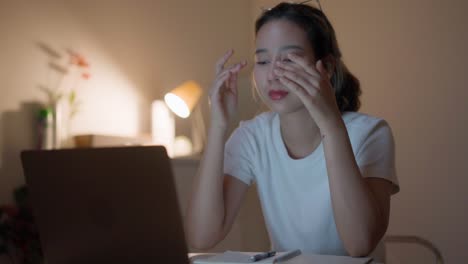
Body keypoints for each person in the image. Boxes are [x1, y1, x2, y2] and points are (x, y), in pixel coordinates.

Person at [185, 1, 399, 257]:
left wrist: (331, 127)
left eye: (289, 59)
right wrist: (218, 125)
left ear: (327, 68)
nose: (273, 74)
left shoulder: (370, 133)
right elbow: (202, 236)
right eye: (262, 61)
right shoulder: (253, 136)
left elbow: (359, 244)